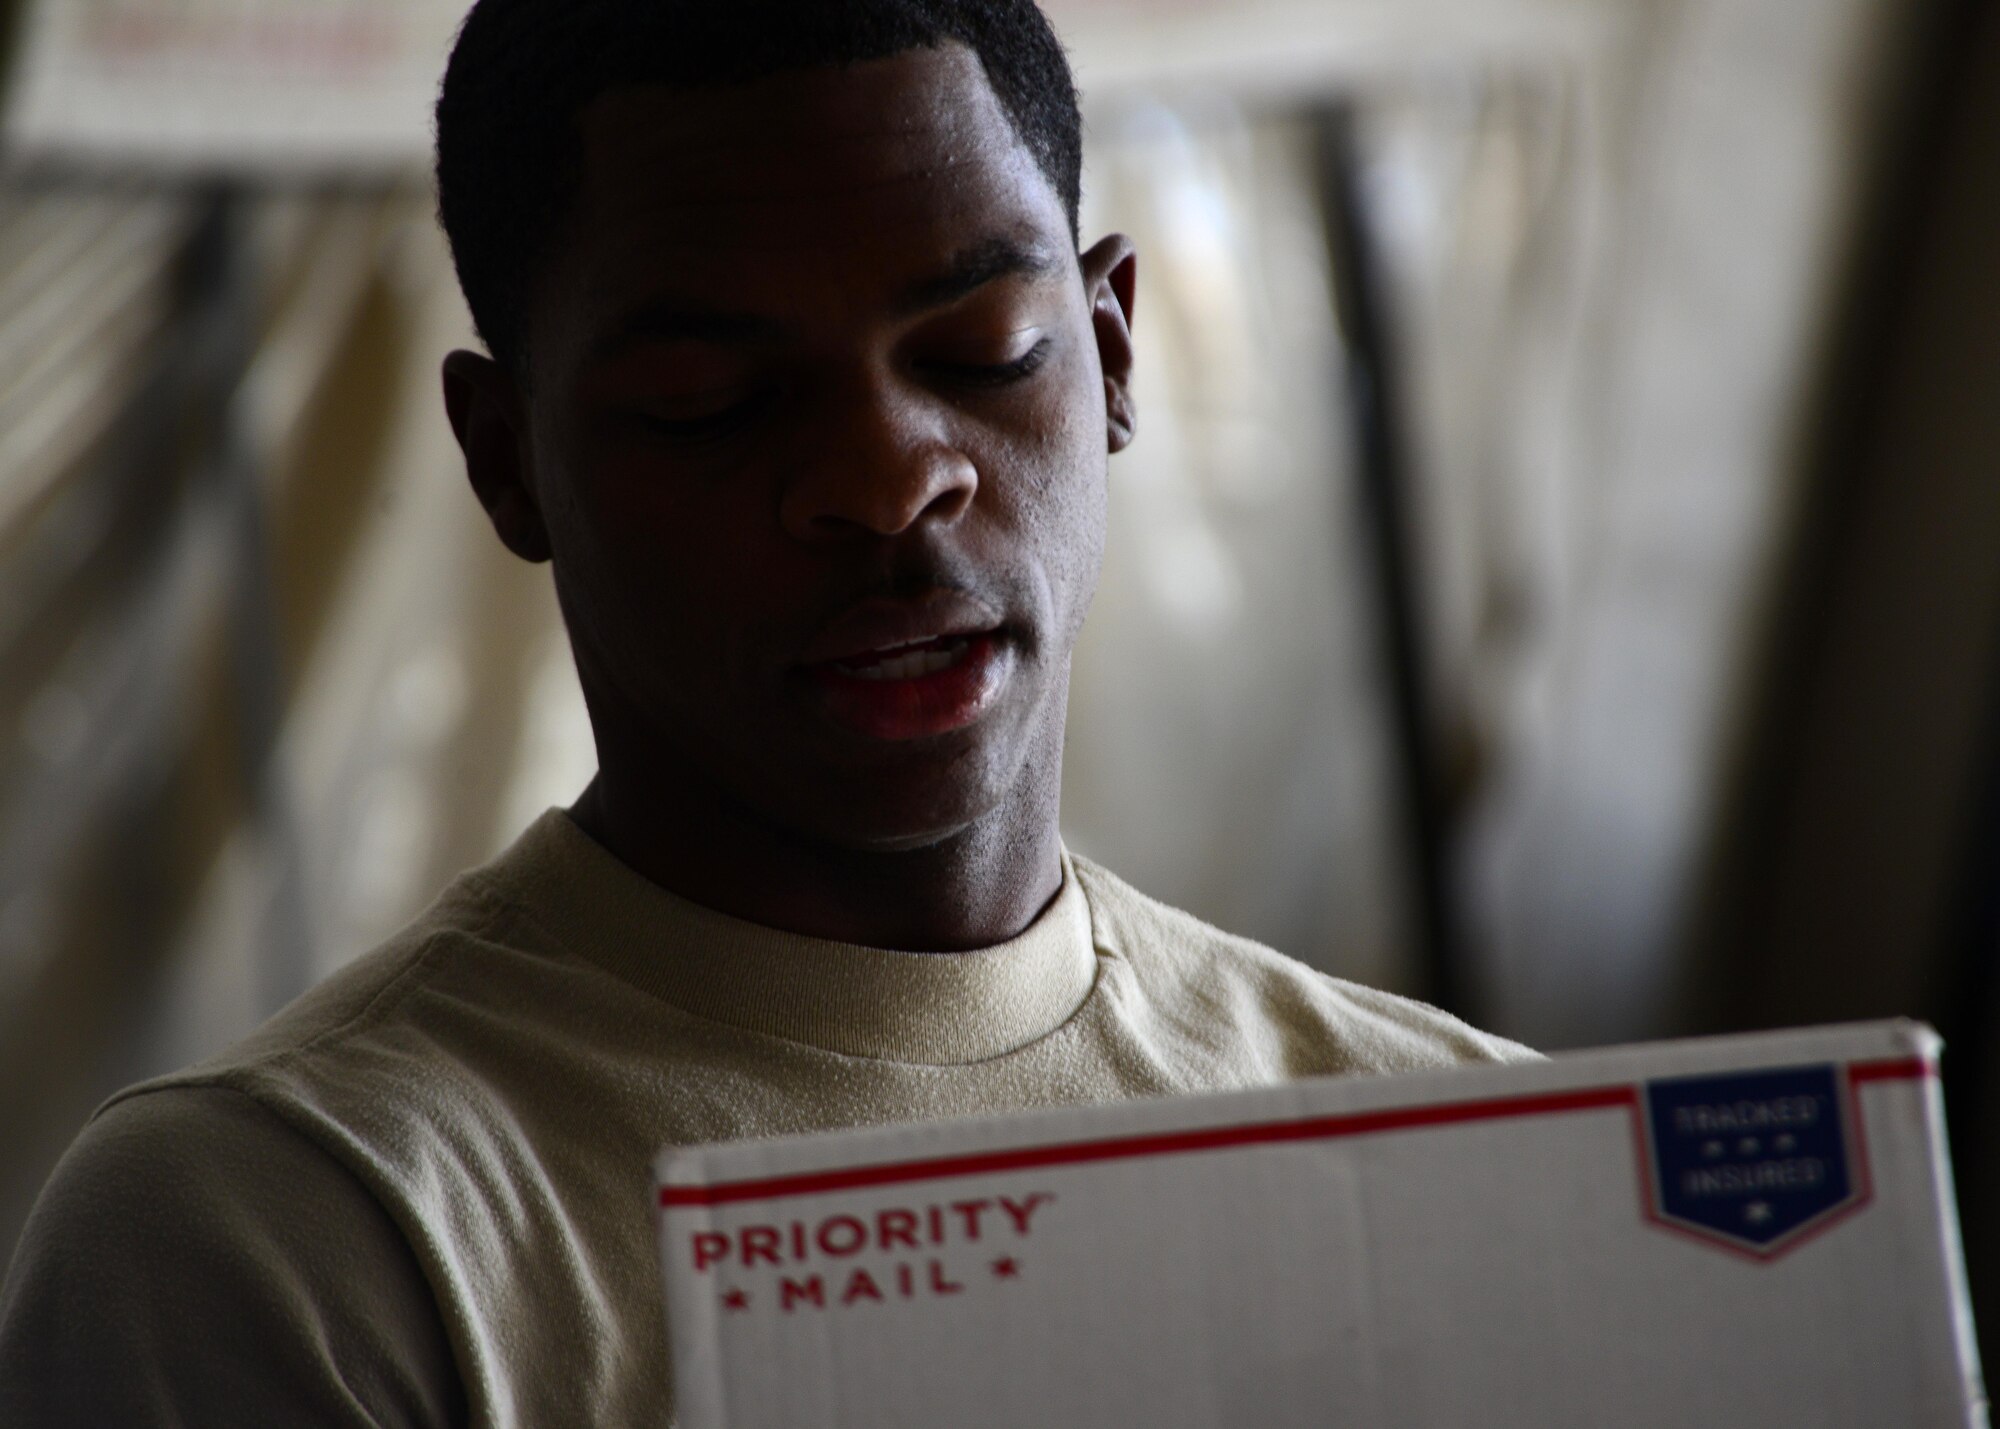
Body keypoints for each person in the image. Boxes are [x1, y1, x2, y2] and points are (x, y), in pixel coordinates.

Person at [0, 1, 1534, 1423]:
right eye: (710, 405)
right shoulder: (301, 1234)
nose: (886, 481)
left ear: (1116, 348)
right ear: (505, 459)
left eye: (982, 353)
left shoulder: (1465, 1157)